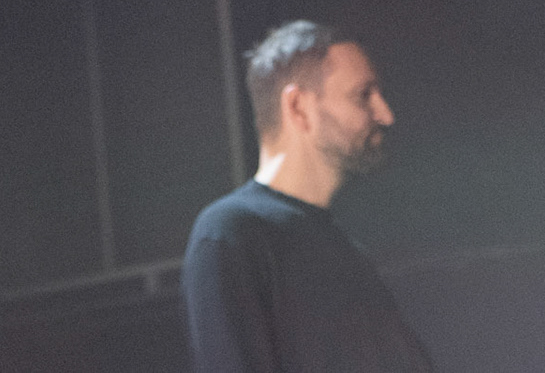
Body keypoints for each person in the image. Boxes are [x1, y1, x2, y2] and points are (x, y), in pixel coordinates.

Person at [182, 21, 434, 373]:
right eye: (363, 95)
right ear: (298, 106)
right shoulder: (231, 234)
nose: (385, 114)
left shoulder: (346, 249)